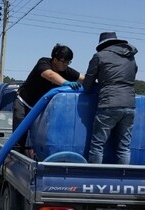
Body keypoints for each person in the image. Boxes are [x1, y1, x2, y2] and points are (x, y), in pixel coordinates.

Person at [13, 44, 85, 153]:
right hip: (24, 104)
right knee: (19, 137)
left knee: (40, 138)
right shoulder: (43, 63)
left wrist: (97, 81)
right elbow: (50, 75)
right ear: (55, 60)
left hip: (40, 109)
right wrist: (65, 82)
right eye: (64, 61)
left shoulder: (65, 70)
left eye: (68, 62)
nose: (66, 65)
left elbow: (83, 78)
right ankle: (16, 157)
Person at [83, 32, 138, 164]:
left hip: (109, 103)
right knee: (124, 148)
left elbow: (87, 84)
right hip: (130, 104)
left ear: (102, 45)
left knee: (97, 145)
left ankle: (95, 178)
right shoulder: (130, 57)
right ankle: (122, 179)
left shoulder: (99, 56)